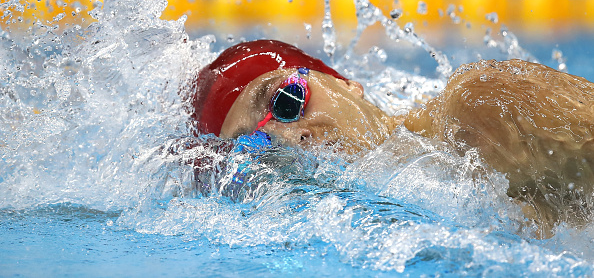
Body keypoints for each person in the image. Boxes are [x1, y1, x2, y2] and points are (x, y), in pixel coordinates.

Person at [192, 39, 594, 237]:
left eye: (287, 100)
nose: (293, 139)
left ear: (346, 84)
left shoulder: (475, 111)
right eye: (259, 147)